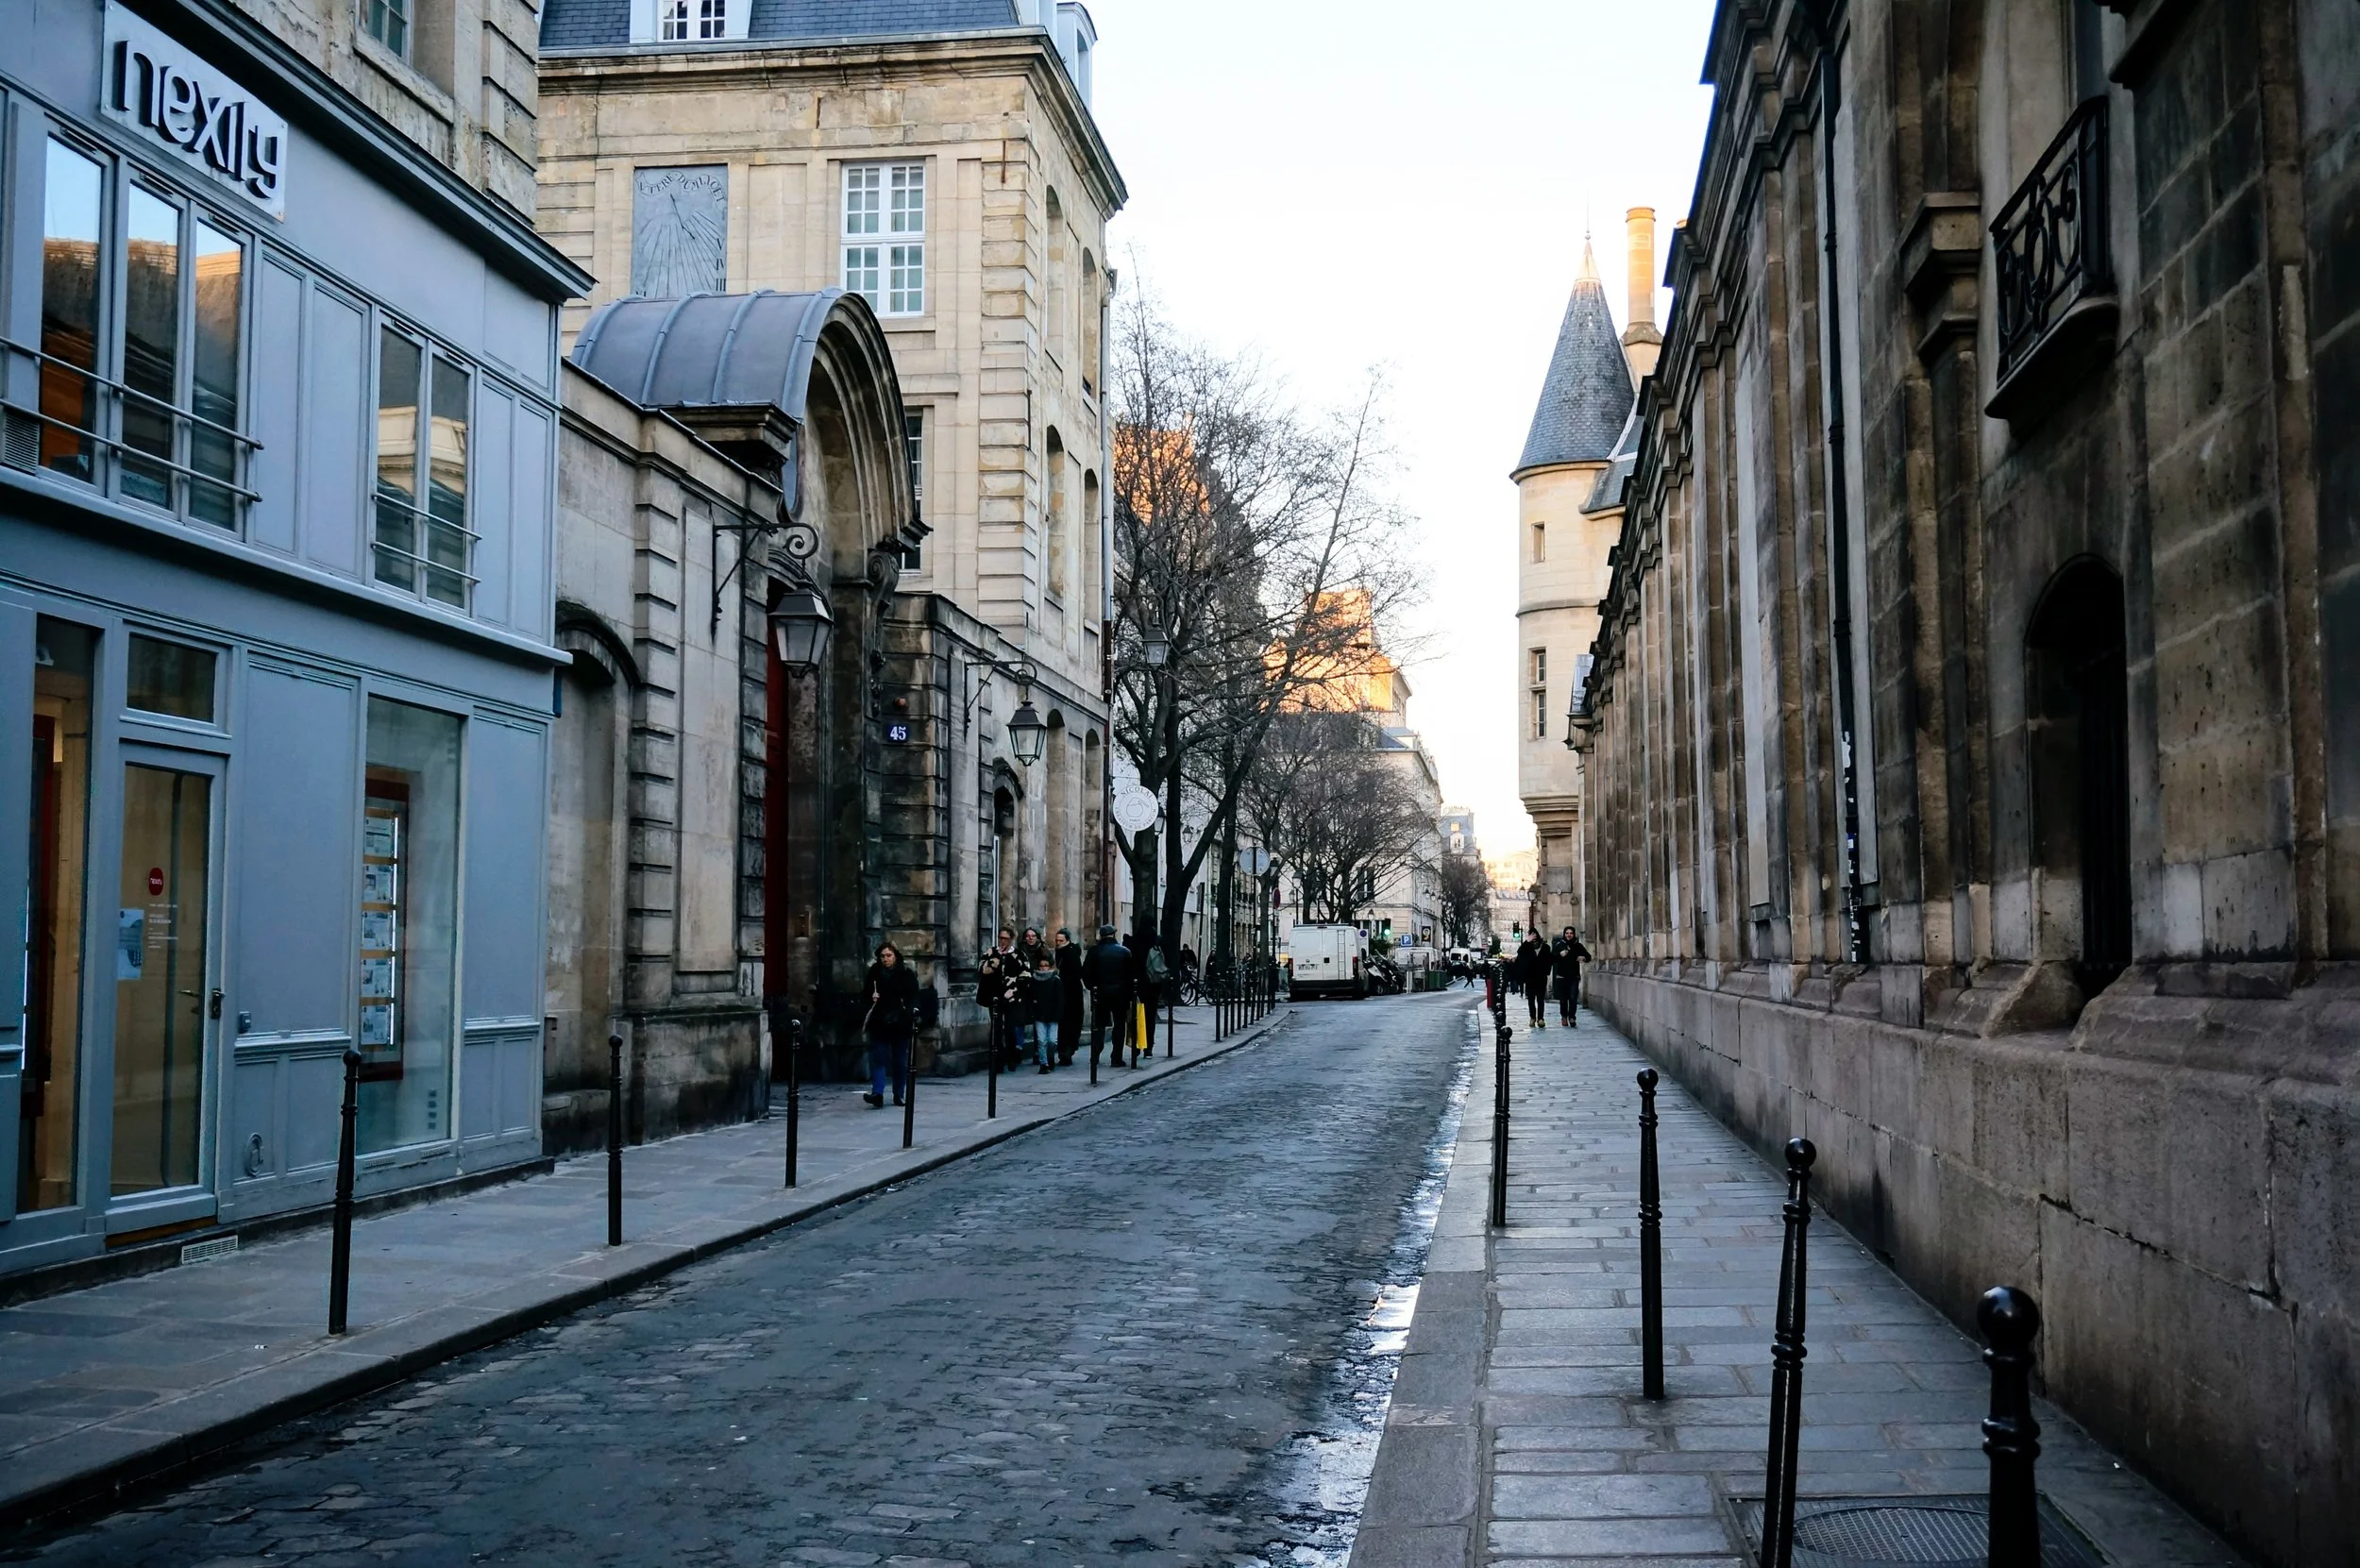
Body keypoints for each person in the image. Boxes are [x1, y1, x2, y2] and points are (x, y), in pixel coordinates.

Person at [862, 941, 919, 1107]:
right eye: (882, 956)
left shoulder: (906, 973)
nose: (885, 959)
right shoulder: (874, 972)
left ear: (895, 956)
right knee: (878, 1058)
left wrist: (910, 1013)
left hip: (899, 1022)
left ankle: (899, 1093)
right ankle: (877, 1093)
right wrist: (870, 997)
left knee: (900, 1061)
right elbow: (864, 994)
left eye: (889, 956)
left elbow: (914, 996)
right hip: (880, 1021)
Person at [1083, 924, 1135, 1072]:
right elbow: (1131, 976)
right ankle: (1116, 1057)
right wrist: (1129, 993)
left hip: (1100, 993)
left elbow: (1086, 972)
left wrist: (1092, 987)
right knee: (1119, 1025)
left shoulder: (1094, 951)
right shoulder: (1124, 952)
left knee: (1098, 1025)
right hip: (1120, 994)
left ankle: (1095, 1055)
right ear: (1113, 934)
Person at [978, 927, 1020, 1070]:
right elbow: (981, 970)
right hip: (994, 996)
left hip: (1011, 997)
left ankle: (1012, 1058)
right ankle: (997, 1061)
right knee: (996, 1029)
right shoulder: (991, 952)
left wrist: (1017, 991)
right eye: (1000, 938)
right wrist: (995, 960)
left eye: (1006, 938)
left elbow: (1026, 974)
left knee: (1010, 1029)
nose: (1003, 941)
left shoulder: (1018, 955)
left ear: (1011, 939)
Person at [1025, 952, 1063, 1072]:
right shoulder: (1034, 980)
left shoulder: (1056, 980)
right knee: (1041, 1041)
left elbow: (1060, 999)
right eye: (1041, 966)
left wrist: (1059, 1013)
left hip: (1053, 1014)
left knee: (1052, 1041)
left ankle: (1050, 1058)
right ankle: (1044, 1064)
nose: (1043, 968)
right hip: (1039, 1013)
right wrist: (1032, 1010)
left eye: (1046, 965)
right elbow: (1029, 997)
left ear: (1050, 966)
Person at [1054, 928, 1085, 1066]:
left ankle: (1067, 1051)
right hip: (1063, 992)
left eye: (1061, 940)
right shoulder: (1060, 952)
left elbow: (1075, 973)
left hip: (1071, 993)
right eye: (1057, 940)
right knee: (1064, 1023)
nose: (1058, 943)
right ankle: (1065, 1051)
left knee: (1069, 1023)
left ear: (1067, 940)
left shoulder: (1070, 953)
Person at [1551, 927, 1593, 1024]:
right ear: (1564, 934)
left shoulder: (1578, 946)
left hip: (1574, 976)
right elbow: (1551, 959)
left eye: (1571, 933)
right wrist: (1560, 955)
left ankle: (1572, 1017)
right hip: (1561, 976)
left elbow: (1588, 957)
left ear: (1573, 934)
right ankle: (1564, 1017)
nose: (1569, 935)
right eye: (1567, 933)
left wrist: (1583, 958)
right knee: (1563, 999)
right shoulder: (1559, 945)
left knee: (1573, 997)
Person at [1514, 932, 1551, 1028]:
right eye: (1531, 936)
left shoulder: (1545, 947)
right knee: (1531, 999)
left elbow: (1549, 960)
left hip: (1541, 976)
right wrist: (1526, 942)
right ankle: (1532, 1018)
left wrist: (1547, 971)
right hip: (1529, 977)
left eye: (1535, 936)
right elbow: (1520, 952)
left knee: (1540, 999)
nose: (1534, 938)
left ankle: (1541, 1018)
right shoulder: (1527, 947)